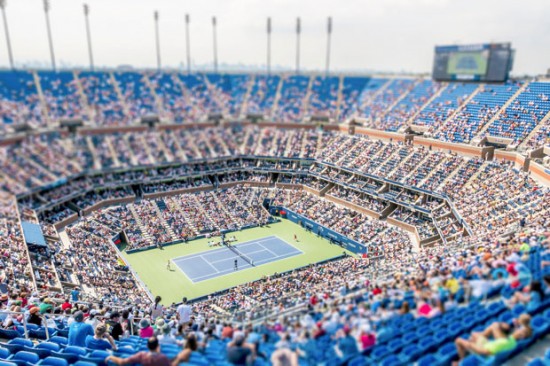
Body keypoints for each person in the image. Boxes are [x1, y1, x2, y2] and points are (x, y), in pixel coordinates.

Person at [454, 314, 532, 363]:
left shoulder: (503, 342)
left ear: (521, 335)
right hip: (489, 345)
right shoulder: (513, 342)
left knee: (458, 340)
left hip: (484, 352)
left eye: (519, 329)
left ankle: (461, 360)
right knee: (475, 335)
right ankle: (466, 352)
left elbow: (483, 352)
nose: (517, 328)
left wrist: (470, 345)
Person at [106, 336, 171, 366]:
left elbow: (122, 362)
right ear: (158, 346)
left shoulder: (141, 355)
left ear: (147, 346)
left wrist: (111, 357)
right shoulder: (163, 358)